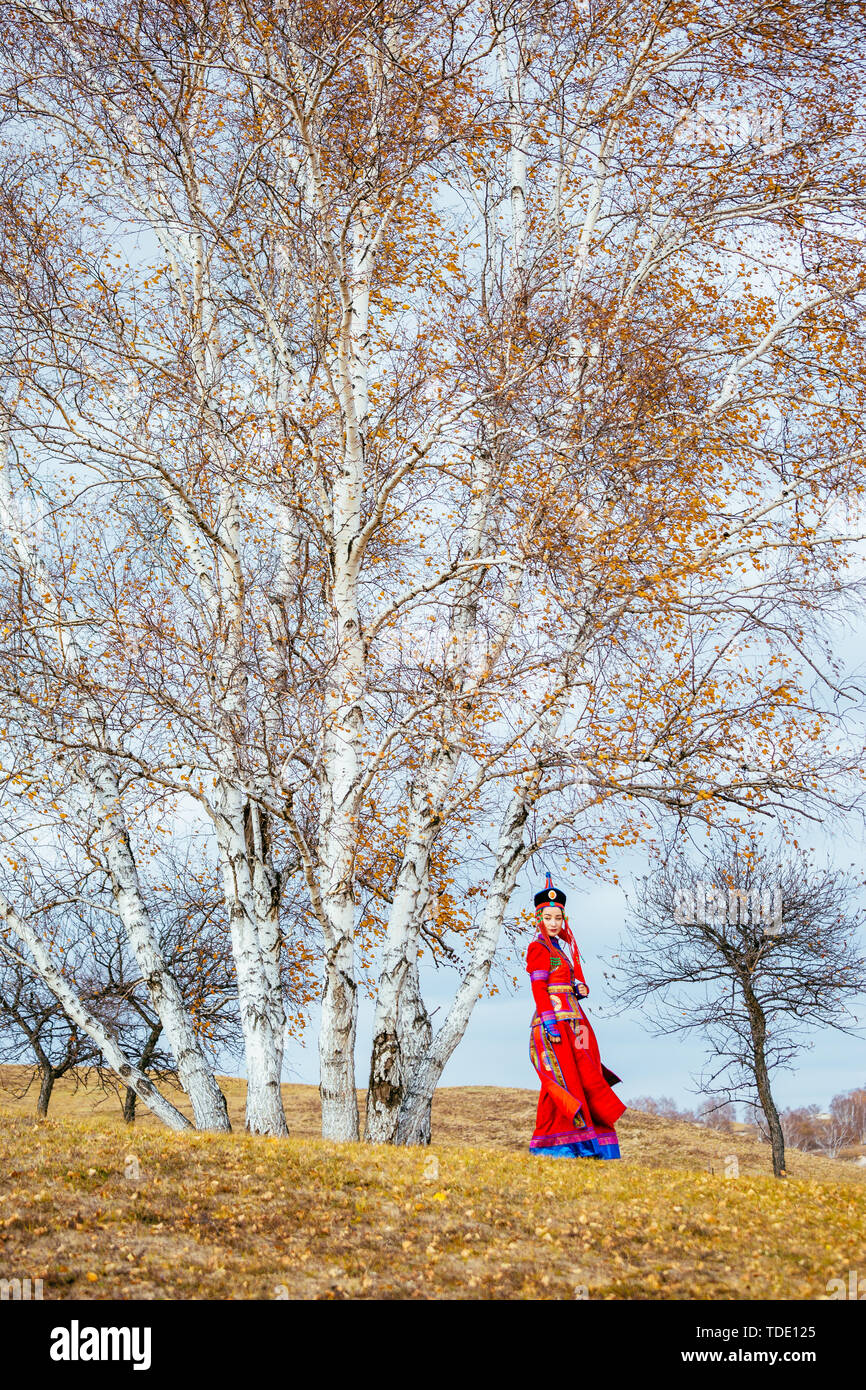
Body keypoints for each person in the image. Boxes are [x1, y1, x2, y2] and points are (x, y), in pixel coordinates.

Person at [526, 873, 626, 1158]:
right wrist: (548, 1020)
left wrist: (577, 988)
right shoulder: (538, 948)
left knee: (585, 1077)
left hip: (576, 1023)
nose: (554, 923)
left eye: (558, 918)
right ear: (539, 919)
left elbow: (563, 984)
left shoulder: (562, 950)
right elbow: (539, 987)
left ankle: (589, 1143)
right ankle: (561, 1145)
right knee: (561, 1081)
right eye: (548, 918)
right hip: (553, 1025)